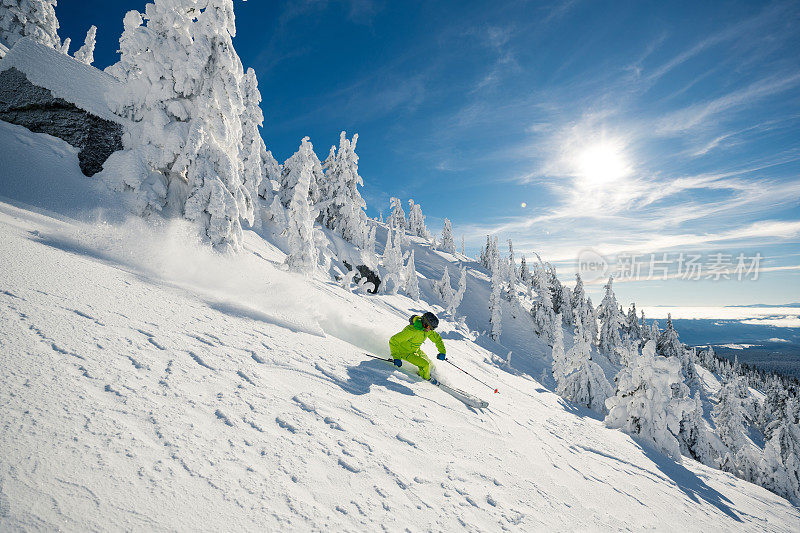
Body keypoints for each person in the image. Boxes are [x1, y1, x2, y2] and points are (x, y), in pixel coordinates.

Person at [389, 311, 447, 384]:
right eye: (429, 327)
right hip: (404, 352)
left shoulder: (426, 330)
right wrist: (396, 357)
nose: (430, 330)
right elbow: (393, 340)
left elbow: (437, 339)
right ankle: (427, 380)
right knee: (425, 364)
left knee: (431, 365)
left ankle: (428, 373)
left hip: (415, 350)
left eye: (432, 329)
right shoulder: (412, 330)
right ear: (424, 323)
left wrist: (442, 352)